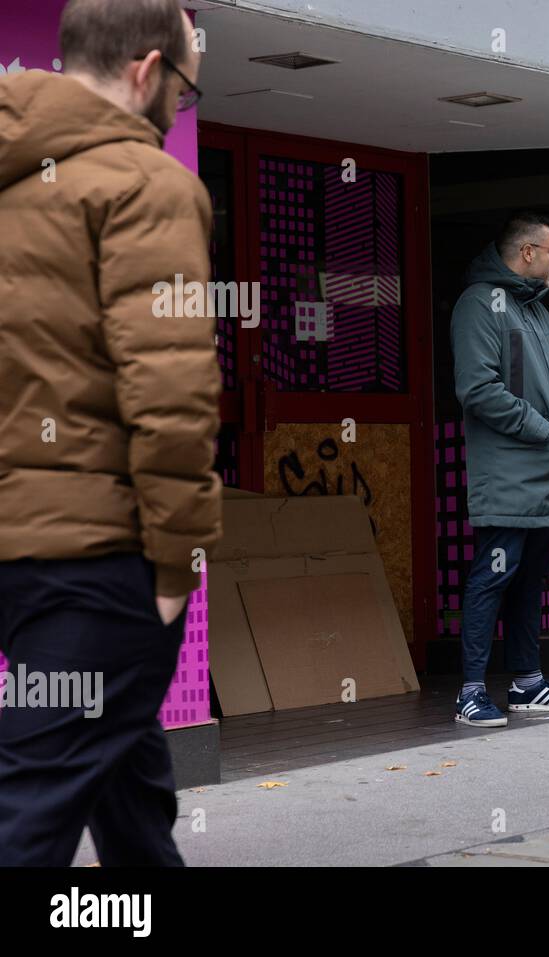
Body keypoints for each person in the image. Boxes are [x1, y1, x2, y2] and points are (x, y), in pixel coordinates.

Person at [0, 0, 219, 864]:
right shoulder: (146, 185)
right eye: (185, 88)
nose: (179, 108)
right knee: (35, 797)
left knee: (130, 787)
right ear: (145, 68)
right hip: (99, 559)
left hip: (23, 554)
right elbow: (169, 396)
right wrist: (176, 565)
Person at [449, 212, 549, 726]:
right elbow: (478, 390)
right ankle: (469, 693)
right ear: (527, 252)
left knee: (531, 584)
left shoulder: (537, 312)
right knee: (492, 580)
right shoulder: (478, 305)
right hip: (508, 479)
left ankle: (527, 685)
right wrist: (544, 432)